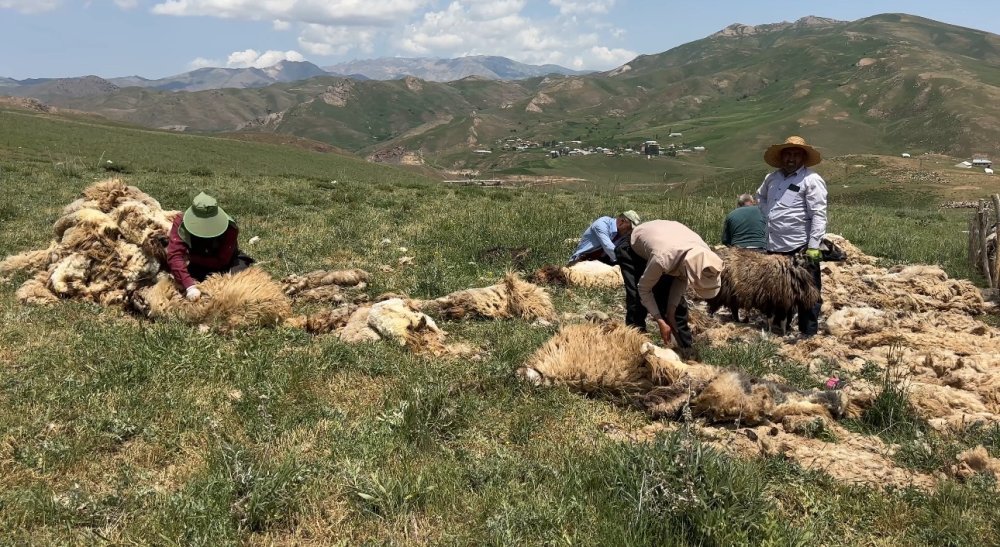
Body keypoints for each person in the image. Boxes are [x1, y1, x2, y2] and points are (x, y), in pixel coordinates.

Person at [755, 136, 828, 336]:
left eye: (796, 155)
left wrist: (814, 245)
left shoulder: (811, 180)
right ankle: (779, 327)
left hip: (800, 246)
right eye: (788, 154)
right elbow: (759, 196)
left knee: (808, 292)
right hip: (774, 245)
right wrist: (766, 211)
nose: (791, 159)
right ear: (782, 156)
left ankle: (808, 332)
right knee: (777, 290)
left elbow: (818, 215)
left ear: (802, 158)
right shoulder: (772, 178)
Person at [615, 219, 723, 349]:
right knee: (637, 302)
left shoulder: (703, 255)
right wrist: (659, 320)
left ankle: (685, 351)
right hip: (633, 249)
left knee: (676, 307)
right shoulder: (663, 258)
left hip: (666, 243)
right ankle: (635, 347)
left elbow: (682, 279)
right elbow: (644, 289)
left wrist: (670, 312)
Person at [167, 192, 254, 301]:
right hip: (196, 265)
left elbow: (222, 260)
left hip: (225, 262)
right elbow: (175, 255)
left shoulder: (230, 227)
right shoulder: (180, 223)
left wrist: (191, 258)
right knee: (178, 284)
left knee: (240, 282)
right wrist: (189, 286)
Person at [567, 210, 641, 265]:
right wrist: (626, 262)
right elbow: (608, 247)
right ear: (621, 222)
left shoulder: (622, 234)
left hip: (602, 260)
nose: (630, 232)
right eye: (629, 228)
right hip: (583, 259)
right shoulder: (602, 224)